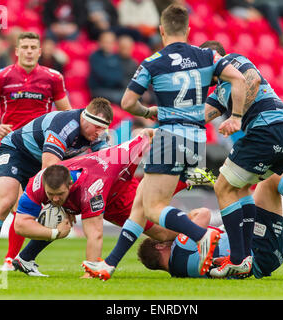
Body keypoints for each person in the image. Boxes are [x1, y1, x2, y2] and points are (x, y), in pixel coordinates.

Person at [82, 4, 248, 280]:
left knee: (153, 207)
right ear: (188, 30)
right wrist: (238, 117)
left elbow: (127, 102)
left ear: (161, 30)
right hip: (196, 140)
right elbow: (239, 79)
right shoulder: (207, 55)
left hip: (170, 136)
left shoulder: (153, 62)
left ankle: (201, 235)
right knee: (140, 202)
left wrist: (147, 113)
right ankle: (109, 264)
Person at [10, 130, 196, 277]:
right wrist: (55, 232)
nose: (55, 199)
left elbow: (95, 234)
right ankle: (25, 258)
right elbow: (20, 224)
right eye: (51, 195)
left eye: (59, 195)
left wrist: (90, 274)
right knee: (52, 216)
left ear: (70, 185)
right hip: (103, 186)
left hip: (119, 197)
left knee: (163, 234)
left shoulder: (91, 188)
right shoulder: (38, 182)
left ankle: (190, 192)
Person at [0, 97, 113, 276]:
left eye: (103, 128)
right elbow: (49, 171)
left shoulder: (98, 133)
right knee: (5, 203)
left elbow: (103, 163)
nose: (99, 133)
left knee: (58, 216)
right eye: (97, 127)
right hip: (17, 153)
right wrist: (64, 206)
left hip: (42, 163)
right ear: (85, 118)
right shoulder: (64, 126)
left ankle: (25, 258)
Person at [199, 40, 283, 277]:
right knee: (241, 188)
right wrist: (164, 120)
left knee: (222, 187)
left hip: (268, 130)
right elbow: (199, 117)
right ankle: (244, 258)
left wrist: (236, 117)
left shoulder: (231, 61)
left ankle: (237, 259)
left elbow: (251, 79)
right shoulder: (221, 92)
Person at [0, 31, 72, 270]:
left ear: (40, 51)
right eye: (25, 47)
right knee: (9, 202)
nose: (29, 51)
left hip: (42, 150)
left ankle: (12, 260)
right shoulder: (2, 76)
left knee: (28, 206)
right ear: (16, 51)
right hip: (13, 147)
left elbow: (67, 113)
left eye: (33, 47)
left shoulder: (53, 77)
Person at [137, 174, 283, 279]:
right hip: (256, 249)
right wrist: (180, 223)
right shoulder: (179, 251)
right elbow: (202, 215)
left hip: (262, 259)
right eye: (162, 235)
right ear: (159, 246)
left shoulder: (180, 270)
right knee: (270, 179)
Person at [88, 31, 124, 105]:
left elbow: (120, 76)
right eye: (106, 42)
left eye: (111, 42)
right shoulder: (95, 57)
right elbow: (101, 76)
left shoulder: (116, 57)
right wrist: (114, 79)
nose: (108, 45)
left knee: (133, 97)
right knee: (119, 98)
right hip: (99, 90)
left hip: (114, 90)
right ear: (100, 43)